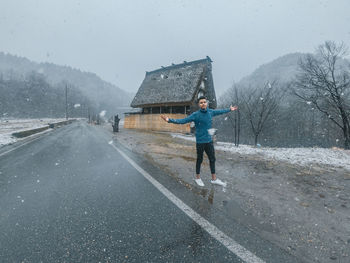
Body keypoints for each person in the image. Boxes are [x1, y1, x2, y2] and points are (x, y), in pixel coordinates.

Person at [161, 96, 238, 187]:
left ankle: (214, 179)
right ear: (199, 104)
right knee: (199, 160)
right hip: (200, 142)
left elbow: (220, 111)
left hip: (209, 141)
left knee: (212, 159)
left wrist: (229, 109)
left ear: (206, 103)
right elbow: (183, 121)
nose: (203, 104)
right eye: (201, 102)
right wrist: (169, 120)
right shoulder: (195, 115)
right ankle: (198, 178)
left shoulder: (210, 112)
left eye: (204, 102)